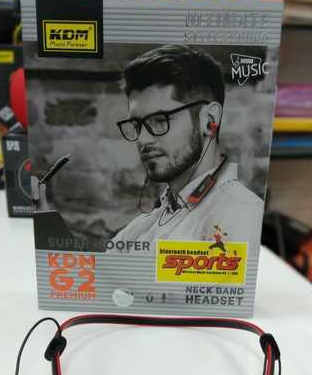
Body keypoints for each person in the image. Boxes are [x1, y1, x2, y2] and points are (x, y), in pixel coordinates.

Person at [111, 44, 264, 248]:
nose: (143, 139)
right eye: (137, 125)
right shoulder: (141, 227)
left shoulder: (242, 216)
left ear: (209, 120)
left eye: (160, 120)